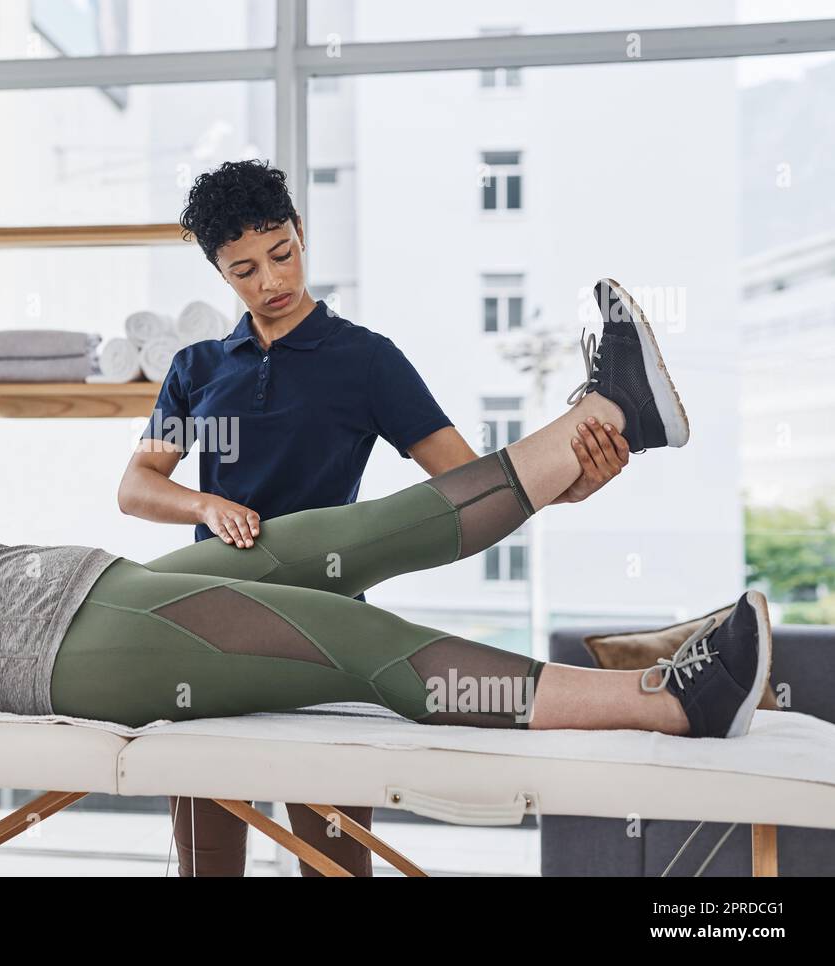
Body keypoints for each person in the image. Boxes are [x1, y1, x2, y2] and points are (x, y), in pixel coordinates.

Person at [0, 274, 769, 880]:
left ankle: (614, 414)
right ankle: (669, 701)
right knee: (358, 648)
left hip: (99, 590)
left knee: (351, 541)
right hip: (77, 650)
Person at [115, 158, 637, 875]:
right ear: (219, 272)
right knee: (207, 866)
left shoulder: (366, 361)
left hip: (327, 631)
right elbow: (137, 486)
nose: (270, 282)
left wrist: (573, 480)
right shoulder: (197, 368)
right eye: (243, 271)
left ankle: (612, 407)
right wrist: (204, 502)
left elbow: (465, 483)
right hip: (210, 629)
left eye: (281, 254)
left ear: (301, 233)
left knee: (334, 863)